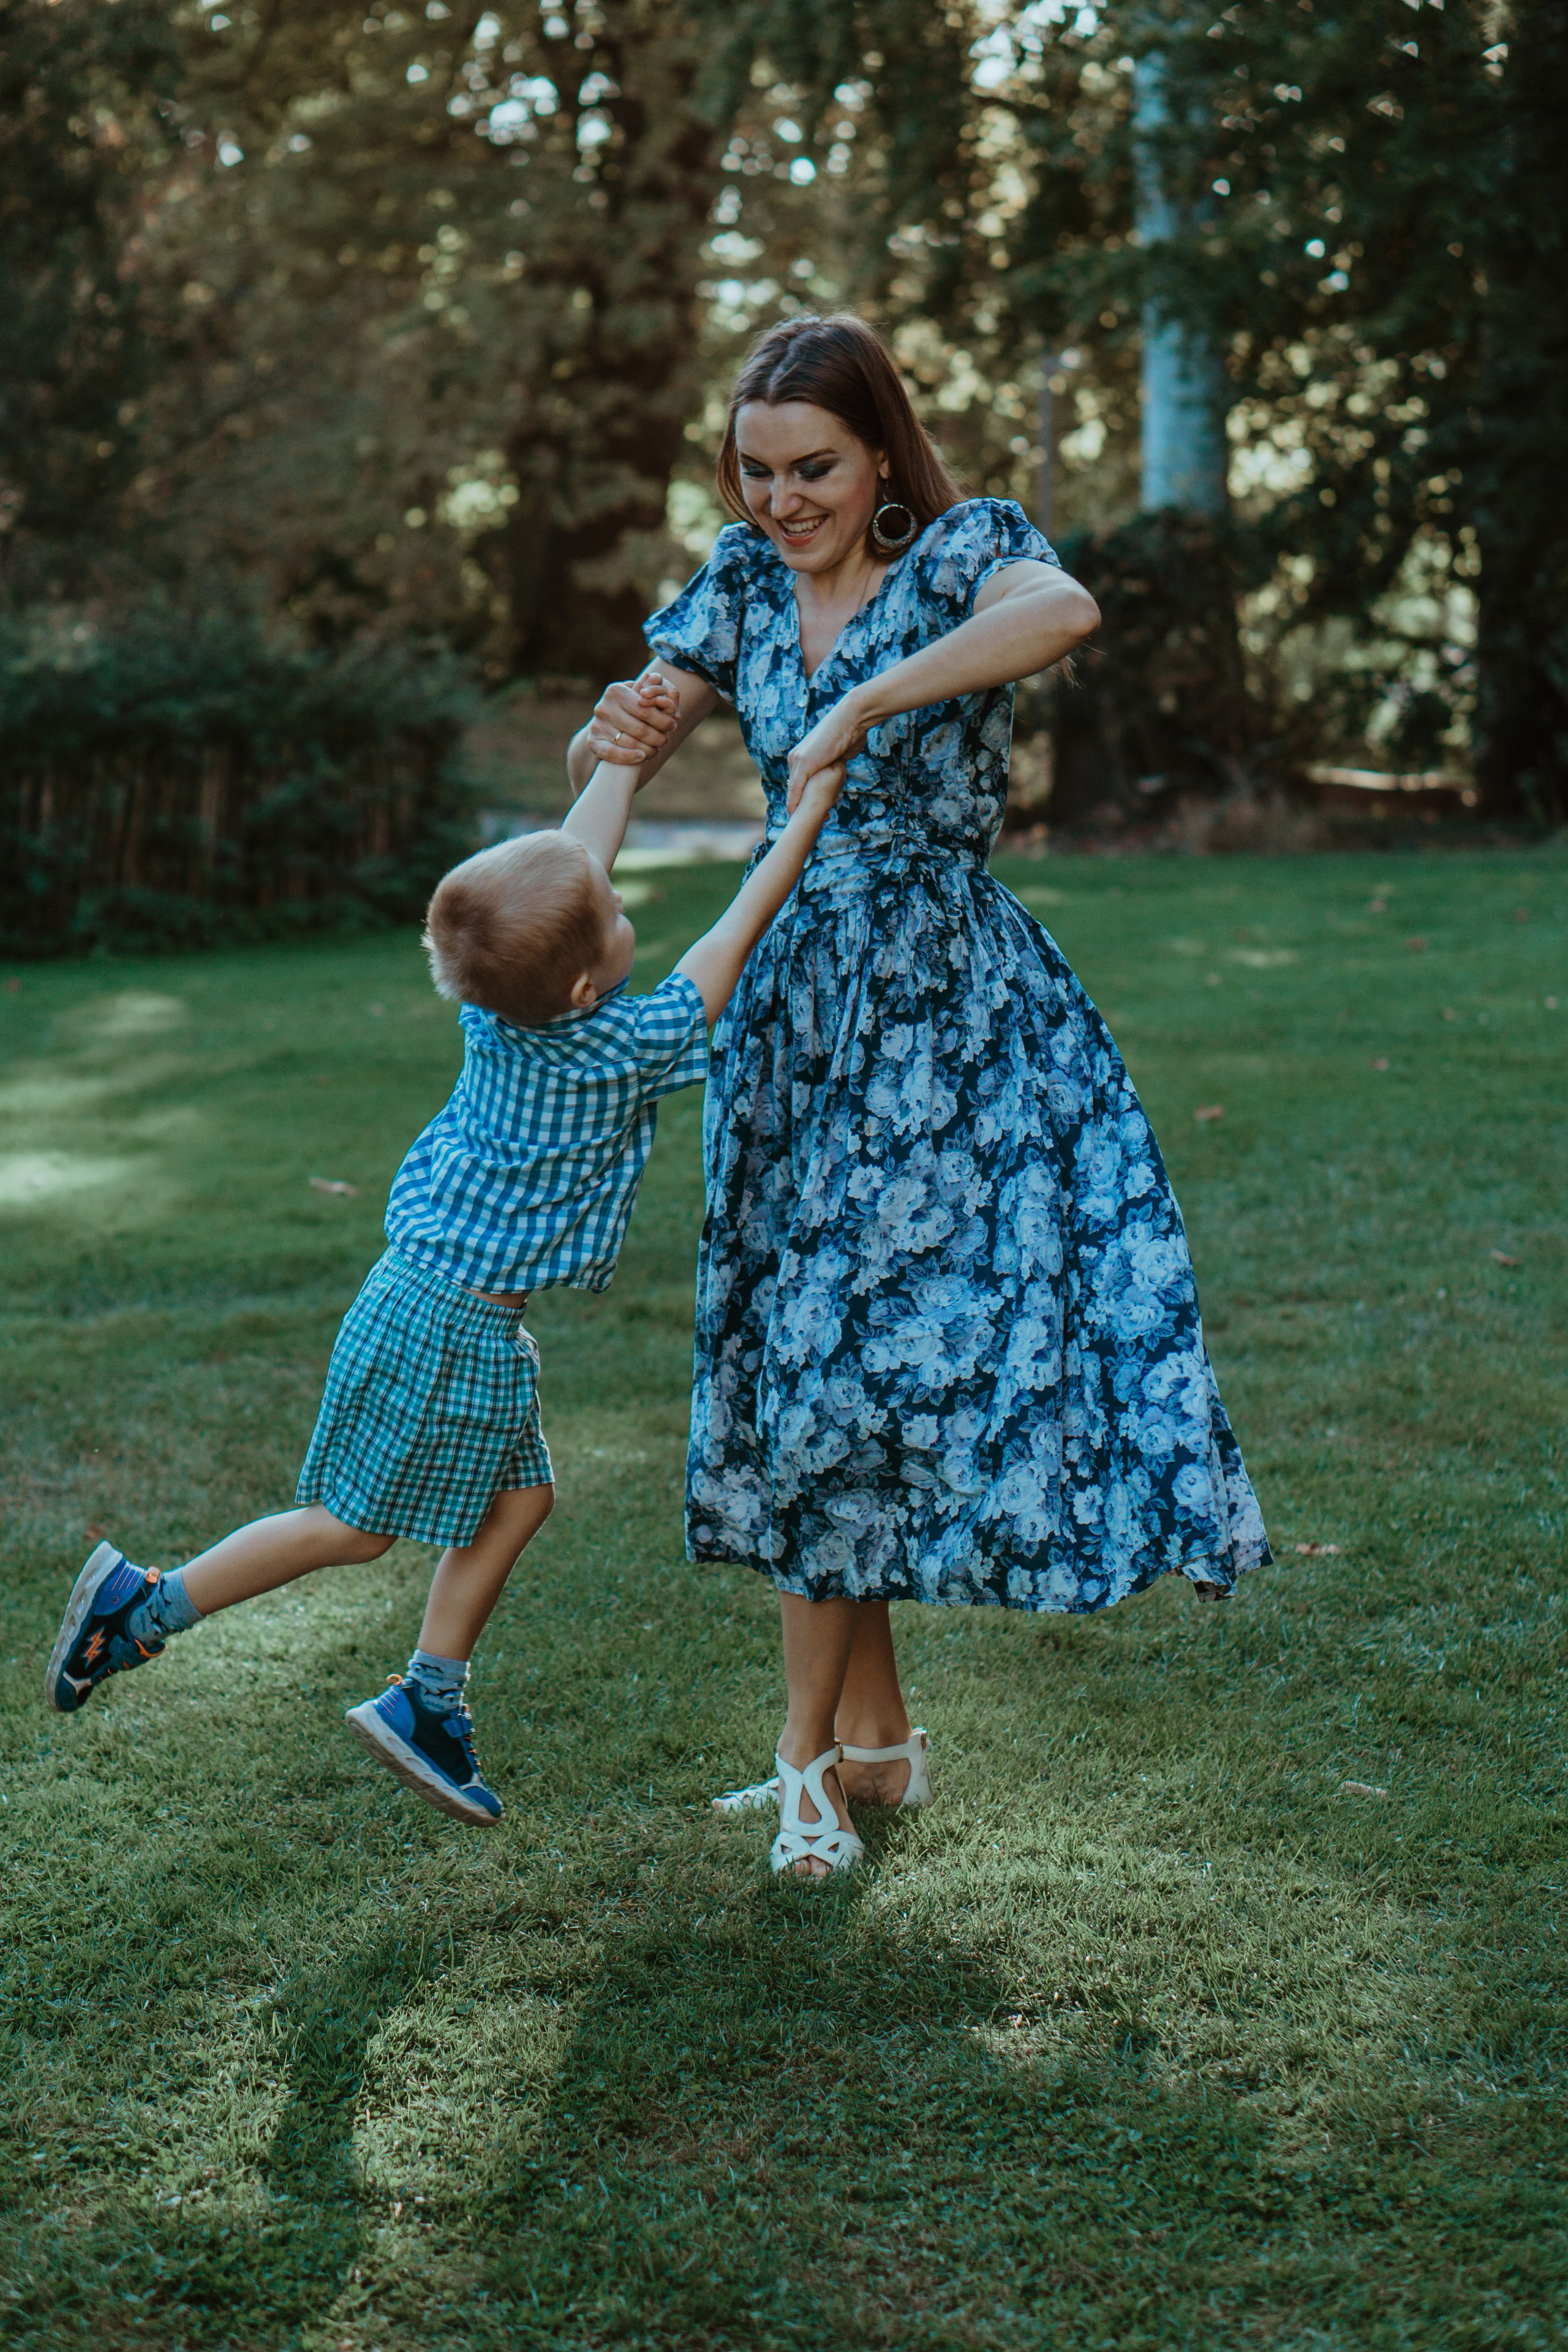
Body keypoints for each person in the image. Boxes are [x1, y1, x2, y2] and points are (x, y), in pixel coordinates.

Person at [569, 312, 1271, 1880]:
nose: (779, 500)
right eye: (753, 471)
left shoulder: (964, 555)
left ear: (879, 448)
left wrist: (863, 704)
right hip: (783, 1022)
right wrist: (572, 856)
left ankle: (802, 1769)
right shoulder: (743, 585)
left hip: (934, 1020)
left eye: (811, 467)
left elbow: (1064, 609)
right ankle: (873, 1751)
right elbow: (633, 731)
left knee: (836, 1374)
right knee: (816, 1375)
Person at [43, 746, 846, 1828]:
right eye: (613, 910)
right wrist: (801, 818)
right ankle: (146, 1608)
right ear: (580, 981)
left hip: (425, 1299)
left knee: (523, 1499)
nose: (616, 899)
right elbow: (728, 938)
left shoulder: (494, 1010)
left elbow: (564, 873)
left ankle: (427, 1700)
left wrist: (622, 760)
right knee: (349, 1525)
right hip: (455, 1325)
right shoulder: (620, 1049)